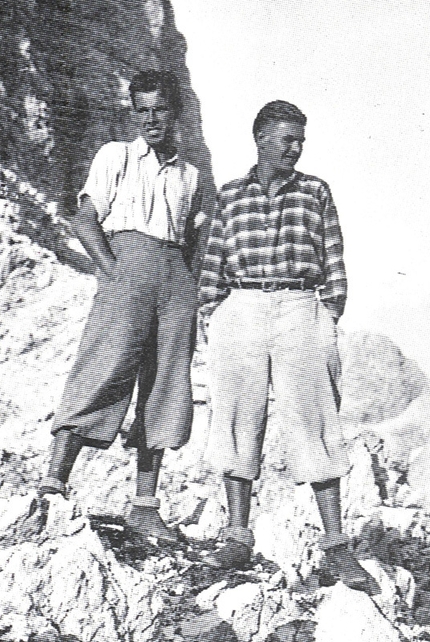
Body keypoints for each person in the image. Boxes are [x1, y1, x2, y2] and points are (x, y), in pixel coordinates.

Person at [198, 100, 378, 593]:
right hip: (242, 306)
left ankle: (337, 546)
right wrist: (213, 313)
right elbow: (213, 258)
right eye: (286, 140)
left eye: (300, 140)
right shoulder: (230, 193)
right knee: (237, 417)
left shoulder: (316, 191)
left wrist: (328, 313)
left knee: (315, 419)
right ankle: (237, 538)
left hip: (301, 306)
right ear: (260, 140)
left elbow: (335, 258)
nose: (295, 149)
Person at [39, 69, 205, 543]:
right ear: (134, 112)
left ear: (176, 111)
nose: (152, 119)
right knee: (102, 368)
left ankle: (145, 507)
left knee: (165, 385)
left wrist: (189, 288)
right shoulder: (116, 156)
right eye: (142, 110)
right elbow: (84, 219)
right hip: (126, 265)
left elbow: (193, 240)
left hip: (175, 279)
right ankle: (54, 484)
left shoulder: (190, 175)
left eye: (160, 109)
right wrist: (112, 272)